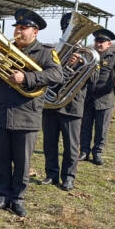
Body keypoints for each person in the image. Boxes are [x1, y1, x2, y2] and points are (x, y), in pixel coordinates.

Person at [0, 8, 64, 217]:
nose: (18, 31)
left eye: (23, 28)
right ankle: (2, 196)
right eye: (16, 27)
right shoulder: (4, 49)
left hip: (27, 115)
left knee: (22, 162)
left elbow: (57, 74)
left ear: (35, 32)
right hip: (1, 113)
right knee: (1, 159)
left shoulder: (45, 52)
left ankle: (17, 199)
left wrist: (27, 79)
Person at [40, 13, 89, 191]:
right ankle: (51, 174)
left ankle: (68, 177)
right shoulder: (53, 52)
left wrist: (81, 64)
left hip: (72, 106)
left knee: (71, 146)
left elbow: (94, 78)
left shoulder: (88, 55)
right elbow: (48, 75)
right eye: (67, 30)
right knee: (49, 142)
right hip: (51, 105)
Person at [79, 28, 115, 165]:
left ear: (109, 44)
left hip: (105, 99)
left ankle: (97, 153)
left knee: (101, 129)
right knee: (85, 127)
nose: (99, 44)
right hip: (87, 98)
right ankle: (84, 151)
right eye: (97, 41)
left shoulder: (114, 57)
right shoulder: (88, 55)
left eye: (102, 42)